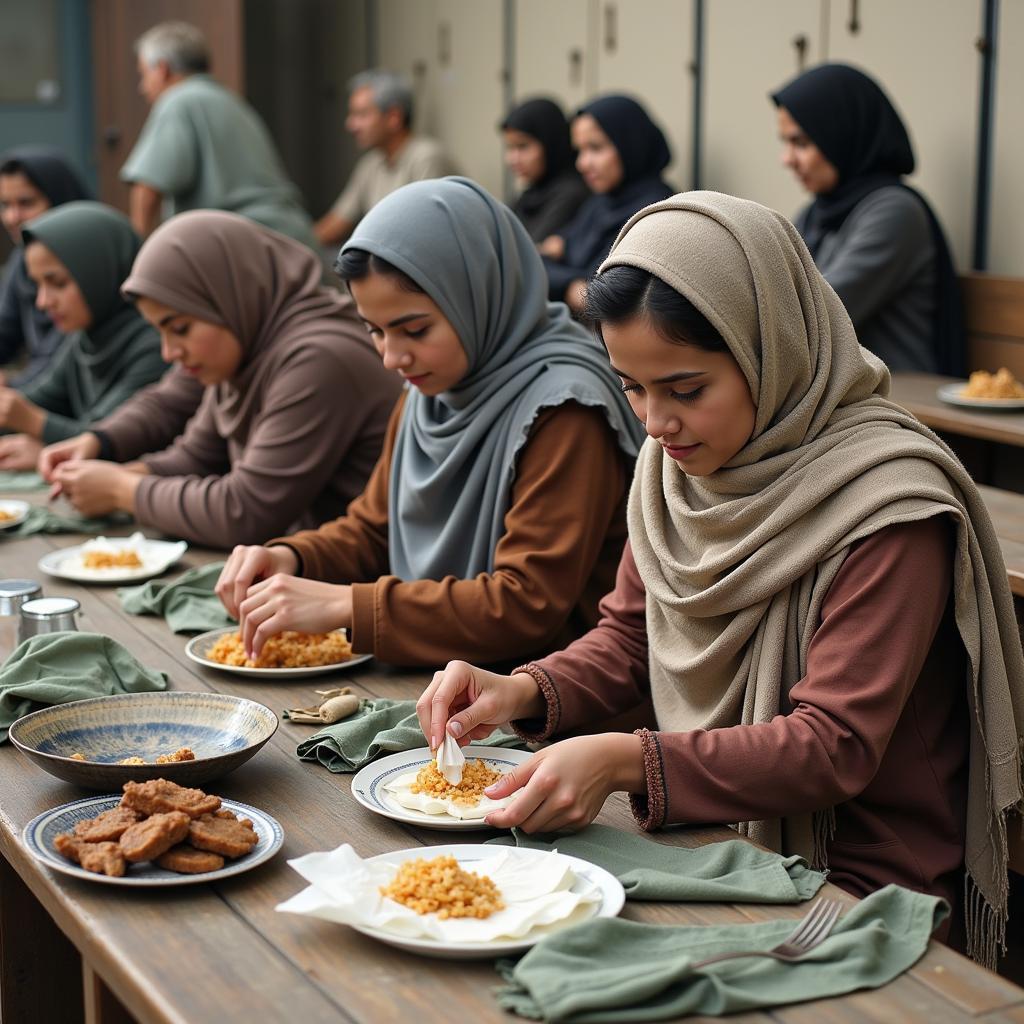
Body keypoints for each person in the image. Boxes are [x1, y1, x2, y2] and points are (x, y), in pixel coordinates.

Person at [417, 192, 1024, 965]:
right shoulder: (673, 471)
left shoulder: (889, 508)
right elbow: (630, 638)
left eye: (685, 389)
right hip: (707, 829)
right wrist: (521, 690)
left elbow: (832, 745)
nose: (654, 422)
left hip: (859, 881)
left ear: (770, 349)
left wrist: (623, 759)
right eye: (632, 387)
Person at [216, 177, 644, 668]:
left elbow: (525, 605)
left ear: (478, 296)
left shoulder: (567, 410)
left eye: (414, 329)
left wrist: (343, 605)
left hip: (538, 710)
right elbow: (375, 530)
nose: (391, 357)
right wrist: (293, 558)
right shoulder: (431, 387)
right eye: (374, 330)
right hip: (440, 682)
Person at [41, 211, 401, 548]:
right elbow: (194, 457)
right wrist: (107, 474)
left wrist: (123, 489)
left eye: (179, 328)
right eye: (160, 332)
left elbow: (245, 511)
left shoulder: (319, 359)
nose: (168, 352)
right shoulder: (248, 346)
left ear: (231, 296)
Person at [772, 63, 965, 375]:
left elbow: (819, 312)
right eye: (785, 143)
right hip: (844, 393)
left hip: (896, 403)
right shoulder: (817, 213)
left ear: (842, 136)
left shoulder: (895, 212)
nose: (787, 159)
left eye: (801, 143)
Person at [121, 21, 318, 251]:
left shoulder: (177, 101)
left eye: (144, 74)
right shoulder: (231, 101)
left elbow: (148, 188)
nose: (143, 87)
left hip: (246, 247)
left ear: (162, 69)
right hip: (293, 240)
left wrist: (136, 259)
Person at [0, 202, 167, 470]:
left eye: (58, 283)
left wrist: (32, 423)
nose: (43, 302)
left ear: (99, 272)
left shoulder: (157, 344)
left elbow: (110, 437)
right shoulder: (86, 338)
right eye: (37, 284)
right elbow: (40, 399)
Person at [540, 94, 672, 314]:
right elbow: (540, 256)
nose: (582, 164)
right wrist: (570, 284)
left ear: (630, 144)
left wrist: (561, 276)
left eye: (596, 148)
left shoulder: (655, 211)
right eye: (579, 151)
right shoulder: (602, 202)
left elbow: (599, 297)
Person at [313, 70, 454, 246]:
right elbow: (337, 222)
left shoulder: (427, 158)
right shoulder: (371, 163)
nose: (351, 125)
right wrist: (292, 247)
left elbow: (423, 237)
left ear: (394, 117)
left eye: (362, 114)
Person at [0, 146, 91, 388]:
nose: (12, 217)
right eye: (5, 205)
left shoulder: (92, 260)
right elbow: (4, 329)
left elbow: (62, 359)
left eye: (26, 203)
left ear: (60, 199)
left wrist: (12, 386)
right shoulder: (22, 258)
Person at [500, 97, 589, 243]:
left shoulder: (571, 193)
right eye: (510, 147)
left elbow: (527, 251)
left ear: (550, 144)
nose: (512, 159)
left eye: (522, 146)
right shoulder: (531, 194)